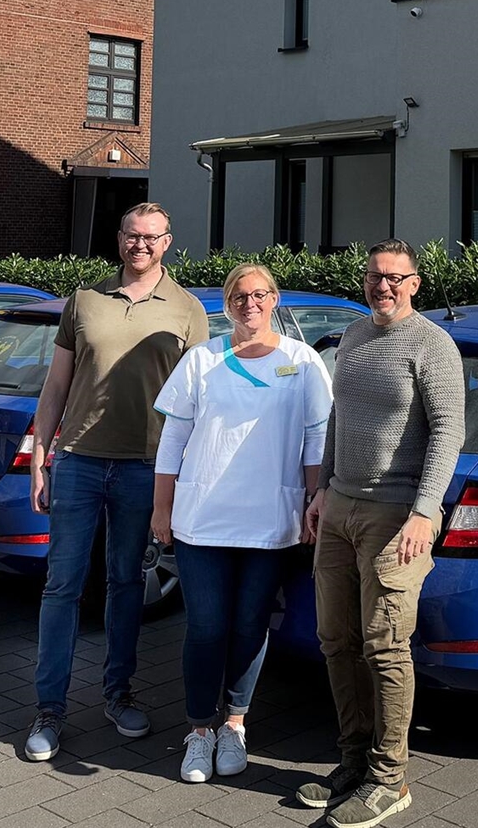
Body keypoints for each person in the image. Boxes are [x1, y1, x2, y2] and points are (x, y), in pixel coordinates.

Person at [24, 203, 210, 762]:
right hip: (79, 461)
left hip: (144, 468)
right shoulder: (84, 300)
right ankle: (49, 710)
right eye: (132, 235)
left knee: (126, 584)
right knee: (62, 587)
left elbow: (198, 403)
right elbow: (56, 388)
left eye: (151, 237)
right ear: (120, 238)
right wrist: (40, 456)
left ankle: (118, 693)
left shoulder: (188, 310)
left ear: (168, 242)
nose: (140, 245)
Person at [298, 239, 465, 828]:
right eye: (375, 276)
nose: (383, 286)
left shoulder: (432, 344)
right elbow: (338, 418)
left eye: (395, 277)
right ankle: (352, 762)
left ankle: (390, 779)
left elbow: (448, 432)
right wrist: (323, 488)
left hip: (397, 515)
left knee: (386, 645)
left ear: (415, 283)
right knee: (335, 640)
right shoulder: (353, 336)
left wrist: (425, 511)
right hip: (340, 508)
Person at [152, 264, 333, 783]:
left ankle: (235, 724)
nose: (249, 304)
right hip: (202, 520)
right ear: (227, 304)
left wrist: (312, 502)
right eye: (238, 296)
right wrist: (161, 508)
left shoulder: (302, 362)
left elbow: (317, 441)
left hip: (269, 521)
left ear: (274, 299)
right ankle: (199, 730)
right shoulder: (201, 359)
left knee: (251, 626)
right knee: (206, 626)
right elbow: (173, 439)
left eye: (259, 294)